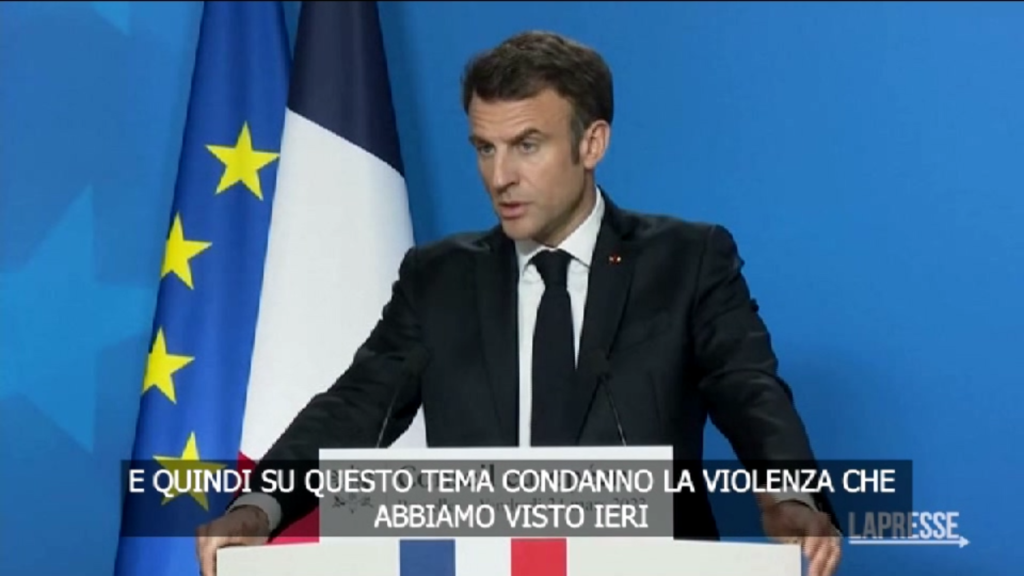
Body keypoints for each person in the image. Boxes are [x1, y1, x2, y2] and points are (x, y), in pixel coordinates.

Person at [196, 30, 841, 576]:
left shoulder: (686, 262)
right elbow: (356, 407)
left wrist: (792, 495)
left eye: (527, 145)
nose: (500, 176)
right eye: (485, 147)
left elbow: (749, 390)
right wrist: (261, 505)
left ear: (591, 144)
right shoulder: (439, 279)